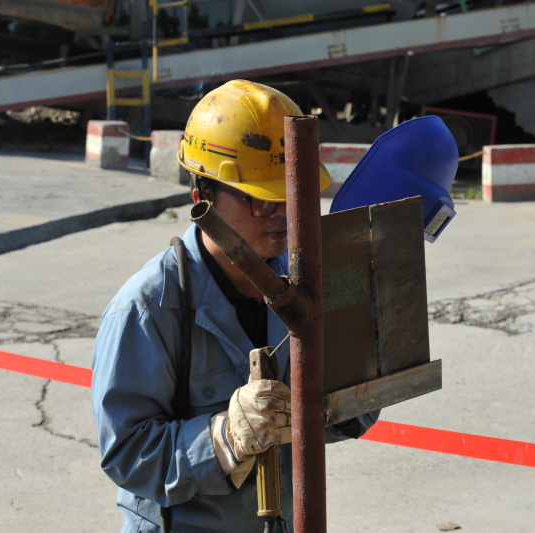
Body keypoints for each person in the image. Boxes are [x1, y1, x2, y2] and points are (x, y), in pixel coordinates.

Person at [91, 79, 378, 533]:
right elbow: (126, 454)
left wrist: (363, 375)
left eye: (290, 193)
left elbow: (344, 417)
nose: (283, 213)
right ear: (202, 199)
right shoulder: (148, 309)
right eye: (261, 199)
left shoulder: (306, 283)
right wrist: (224, 438)